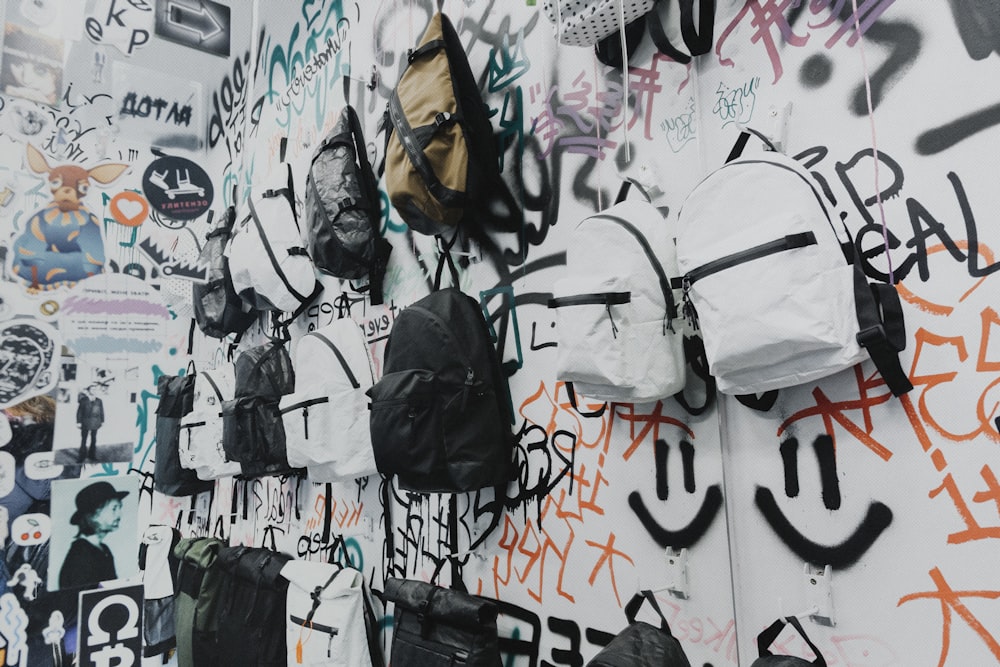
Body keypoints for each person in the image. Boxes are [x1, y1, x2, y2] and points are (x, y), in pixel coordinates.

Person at [58, 481, 127, 589]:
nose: (120, 514)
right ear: (93, 515)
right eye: (114, 508)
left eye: (120, 507)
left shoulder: (104, 549)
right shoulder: (81, 554)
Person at [76, 385, 104, 462]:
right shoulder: (83, 400)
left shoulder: (99, 400)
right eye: (92, 389)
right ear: (89, 391)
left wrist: (102, 421)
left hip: (95, 422)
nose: (94, 390)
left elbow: (101, 411)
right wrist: (78, 422)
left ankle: (92, 455)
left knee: (94, 439)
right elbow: (79, 412)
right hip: (85, 422)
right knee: (84, 439)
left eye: (95, 389)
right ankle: (81, 457)